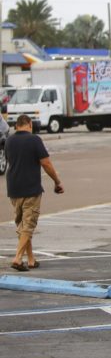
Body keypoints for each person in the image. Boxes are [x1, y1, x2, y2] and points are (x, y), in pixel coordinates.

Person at [6, 114, 64, 271]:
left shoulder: (9, 141)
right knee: (29, 225)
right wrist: (57, 182)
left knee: (23, 225)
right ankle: (17, 258)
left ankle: (31, 259)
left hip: (13, 189)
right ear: (29, 124)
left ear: (17, 126)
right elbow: (46, 163)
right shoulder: (34, 140)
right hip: (30, 188)